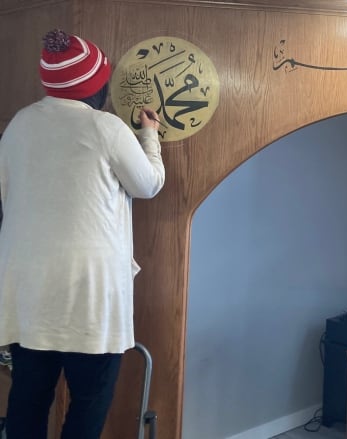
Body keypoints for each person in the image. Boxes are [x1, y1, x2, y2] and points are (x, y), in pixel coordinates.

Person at [0, 29, 165, 438]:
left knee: (28, 400)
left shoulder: (18, 125)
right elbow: (148, 185)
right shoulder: (105, 127)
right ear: (98, 87)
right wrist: (150, 136)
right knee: (89, 403)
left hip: (28, 294)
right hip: (90, 297)